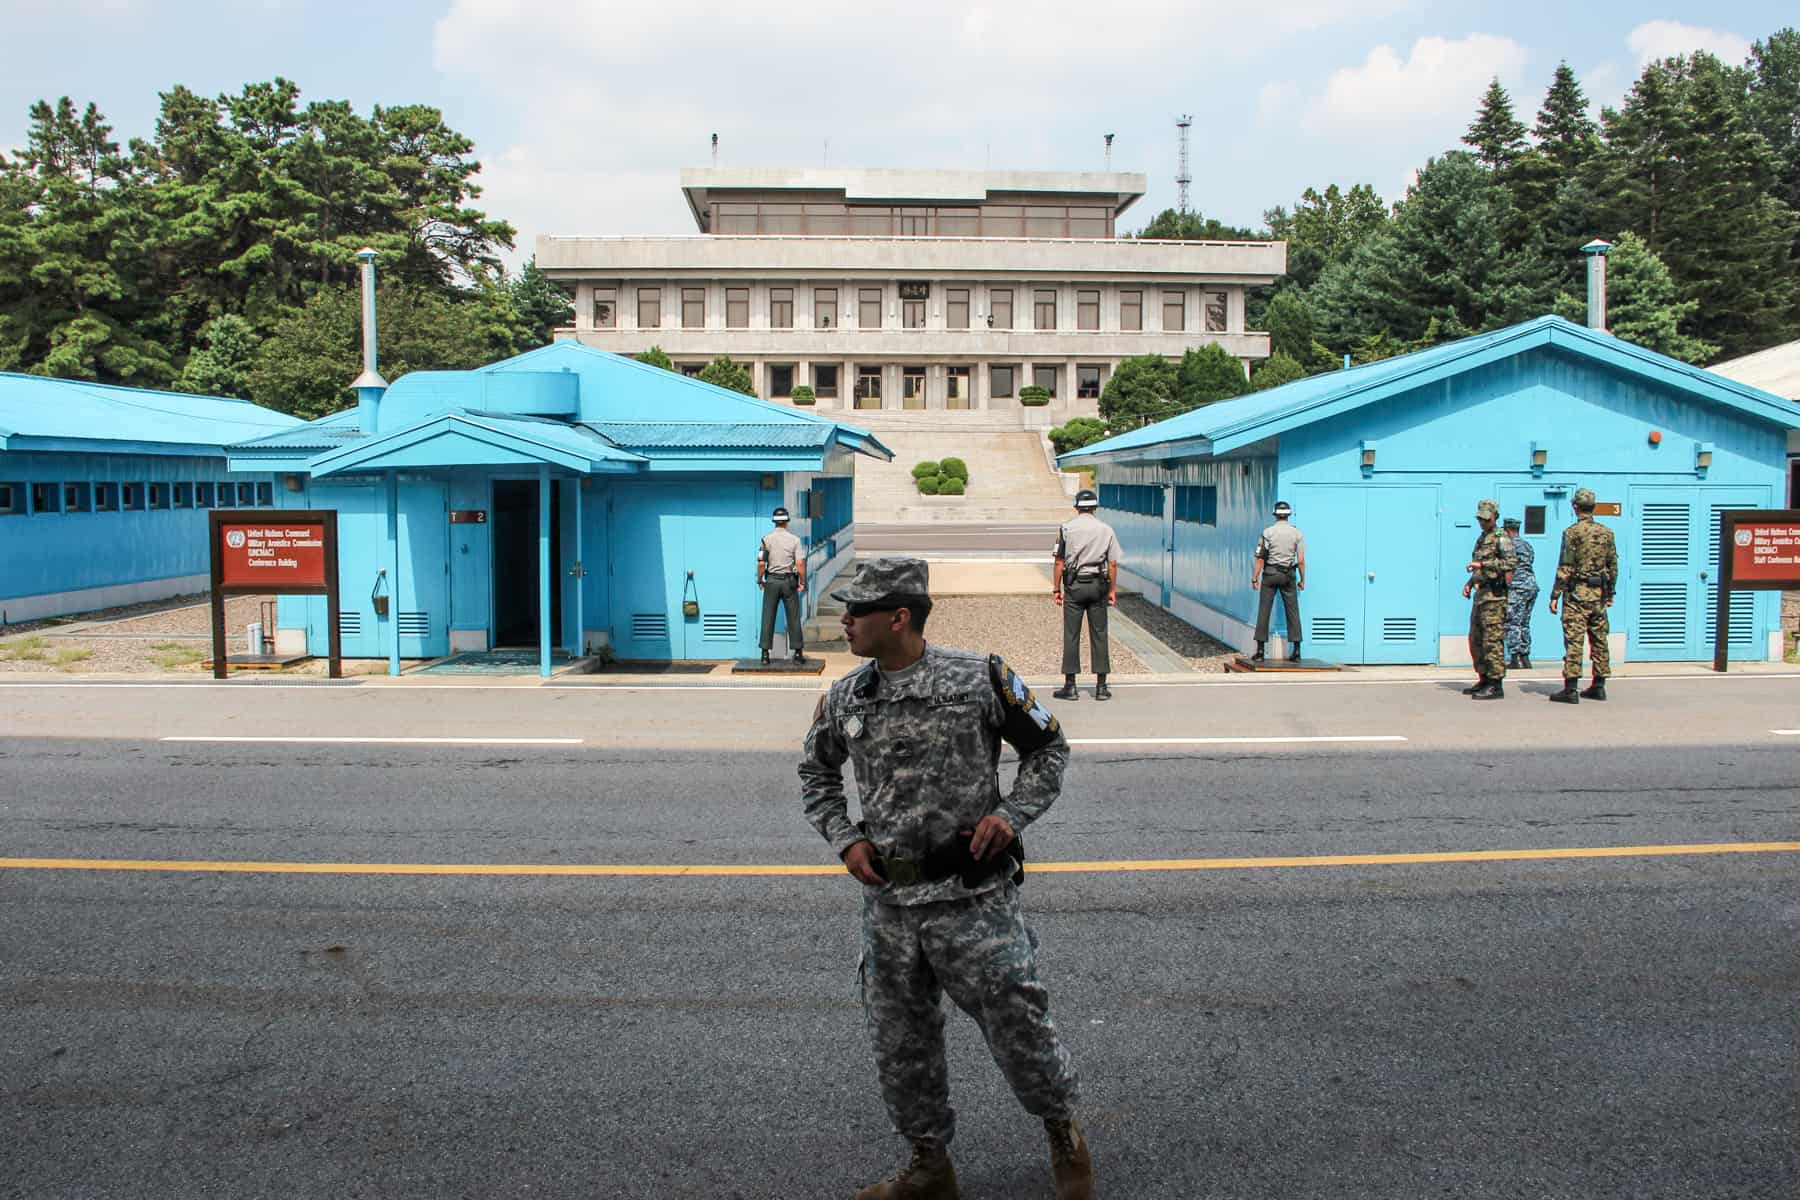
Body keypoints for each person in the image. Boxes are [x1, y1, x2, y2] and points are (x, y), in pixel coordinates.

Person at [800, 557, 1093, 1200]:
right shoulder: (850, 695)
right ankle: (929, 1164)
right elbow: (815, 774)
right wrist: (845, 840)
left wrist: (1011, 817)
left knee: (1020, 1026)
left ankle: (1063, 1135)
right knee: (901, 1048)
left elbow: (1048, 749)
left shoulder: (979, 676)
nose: (844, 620)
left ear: (899, 618)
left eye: (858, 611)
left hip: (973, 901)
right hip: (892, 907)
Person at [1547, 487, 1618, 703]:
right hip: (1598, 595)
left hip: (1577, 594)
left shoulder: (1572, 533)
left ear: (1575, 507)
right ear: (1593, 507)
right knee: (1599, 639)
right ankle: (1599, 685)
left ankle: (1571, 688)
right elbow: (1613, 565)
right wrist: (1610, 592)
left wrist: (1555, 594)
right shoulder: (1607, 533)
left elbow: (1566, 566)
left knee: (1574, 640)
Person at [1052, 489, 1121, 701]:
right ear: (1095, 507)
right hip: (1098, 585)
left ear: (1077, 507)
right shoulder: (1106, 530)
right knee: (1099, 634)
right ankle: (1101, 686)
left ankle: (1070, 686)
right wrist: (1112, 590)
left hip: (1074, 586)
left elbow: (1059, 562)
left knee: (1071, 634)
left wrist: (1057, 589)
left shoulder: (1066, 528)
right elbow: (1113, 563)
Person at [1462, 499, 1515, 700]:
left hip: (1495, 597)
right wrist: (1470, 582)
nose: (1483, 522)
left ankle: (1496, 683)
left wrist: (1482, 564)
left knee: (1492, 641)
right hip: (1481, 595)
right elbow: (1478, 567)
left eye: (1486, 519)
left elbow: (1510, 563)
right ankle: (1483, 677)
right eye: (1480, 519)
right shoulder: (1482, 538)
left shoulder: (1502, 538)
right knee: (1476, 639)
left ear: (1495, 518)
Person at [1251, 500, 1306, 662]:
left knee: (1264, 610)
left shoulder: (1267, 532)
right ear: (1289, 515)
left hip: (1270, 573)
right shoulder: (1297, 534)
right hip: (1288, 574)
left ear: (1275, 515)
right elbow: (1301, 560)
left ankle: (1260, 651)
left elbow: (1260, 558)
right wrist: (1302, 580)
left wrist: (1255, 577)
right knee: (1293, 611)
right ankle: (1296, 651)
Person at [756, 505, 806, 665]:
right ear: (786, 522)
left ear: (774, 522)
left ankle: (765, 654)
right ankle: (798, 653)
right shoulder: (795, 540)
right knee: (793, 616)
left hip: (771, 581)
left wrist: (759, 580)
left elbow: (761, 563)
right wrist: (802, 582)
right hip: (789, 582)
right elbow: (799, 563)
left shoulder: (766, 539)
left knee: (768, 616)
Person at [1501, 515, 1538, 669]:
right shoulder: (1527, 545)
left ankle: (1515, 658)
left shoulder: (1508, 545)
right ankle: (1525, 657)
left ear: (1507, 529)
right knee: (1524, 622)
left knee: (1512, 622)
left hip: (1517, 587)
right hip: (1531, 586)